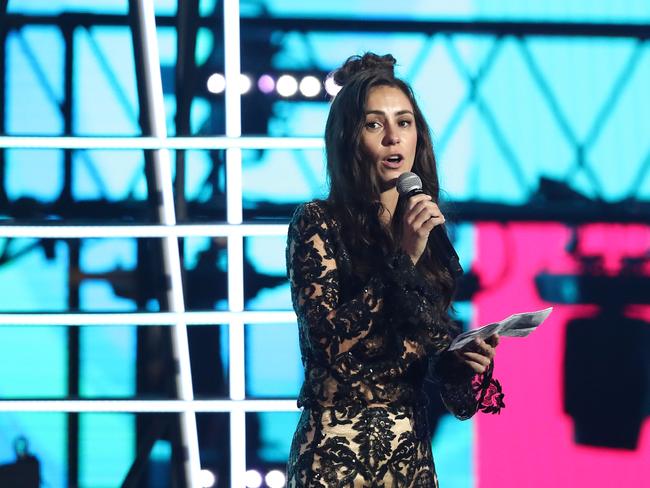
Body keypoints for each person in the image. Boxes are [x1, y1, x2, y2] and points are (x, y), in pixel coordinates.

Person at [285, 53, 505, 488]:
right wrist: (403, 256)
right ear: (350, 138)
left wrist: (462, 364)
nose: (393, 139)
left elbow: (449, 390)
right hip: (335, 455)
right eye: (374, 125)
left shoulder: (430, 232)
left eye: (404, 123)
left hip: (410, 460)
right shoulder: (318, 221)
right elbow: (327, 342)